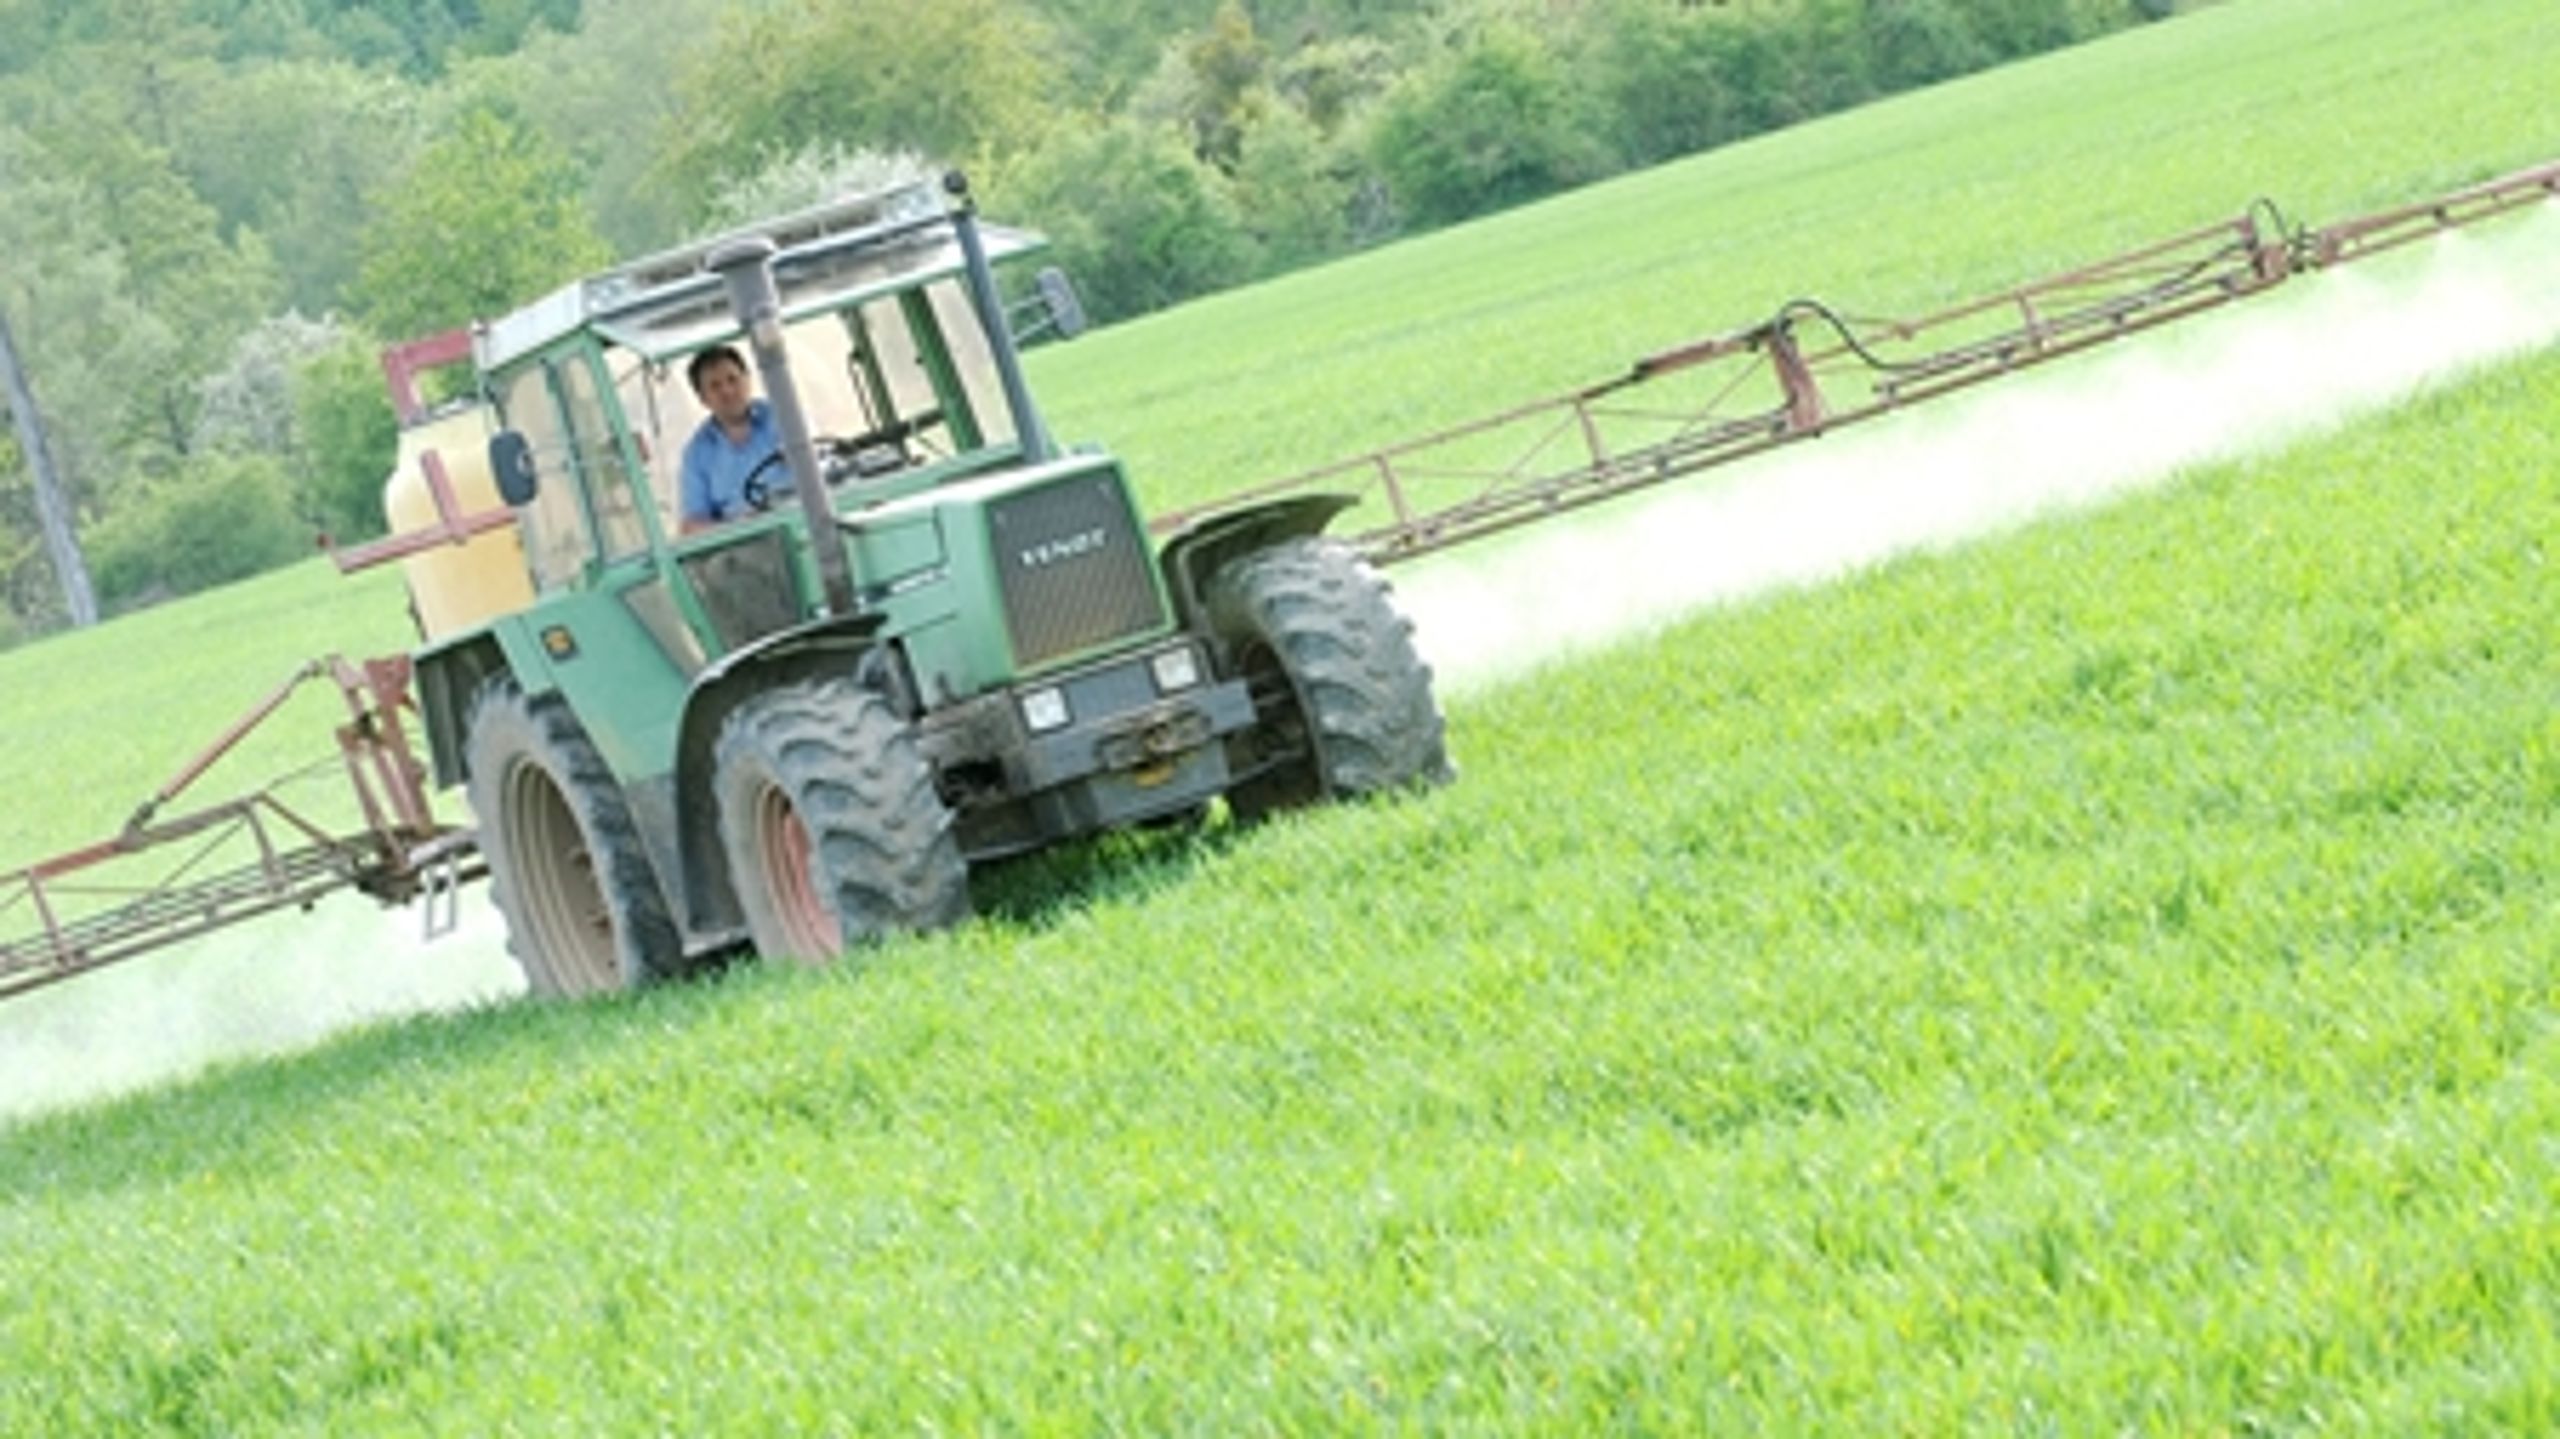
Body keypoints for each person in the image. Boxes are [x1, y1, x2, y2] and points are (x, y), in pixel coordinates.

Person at [677, 344, 784, 533]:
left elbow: (818, 467)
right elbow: (692, 525)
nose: (727, 391)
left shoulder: (783, 417)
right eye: (715, 386)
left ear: (748, 380)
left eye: (733, 379)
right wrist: (739, 527)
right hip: (744, 544)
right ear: (702, 398)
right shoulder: (696, 454)